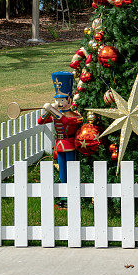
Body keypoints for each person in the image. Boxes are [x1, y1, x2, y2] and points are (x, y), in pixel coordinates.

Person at [38, 70, 83, 208]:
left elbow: (66, 121)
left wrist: (54, 111)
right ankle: (64, 195)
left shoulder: (75, 115)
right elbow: (40, 121)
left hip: (69, 144)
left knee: (72, 169)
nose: (59, 103)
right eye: (57, 100)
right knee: (62, 170)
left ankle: (74, 194)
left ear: (69, 100)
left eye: (62, 100)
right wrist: (47, 111)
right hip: (59, 145)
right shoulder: (54, 113)